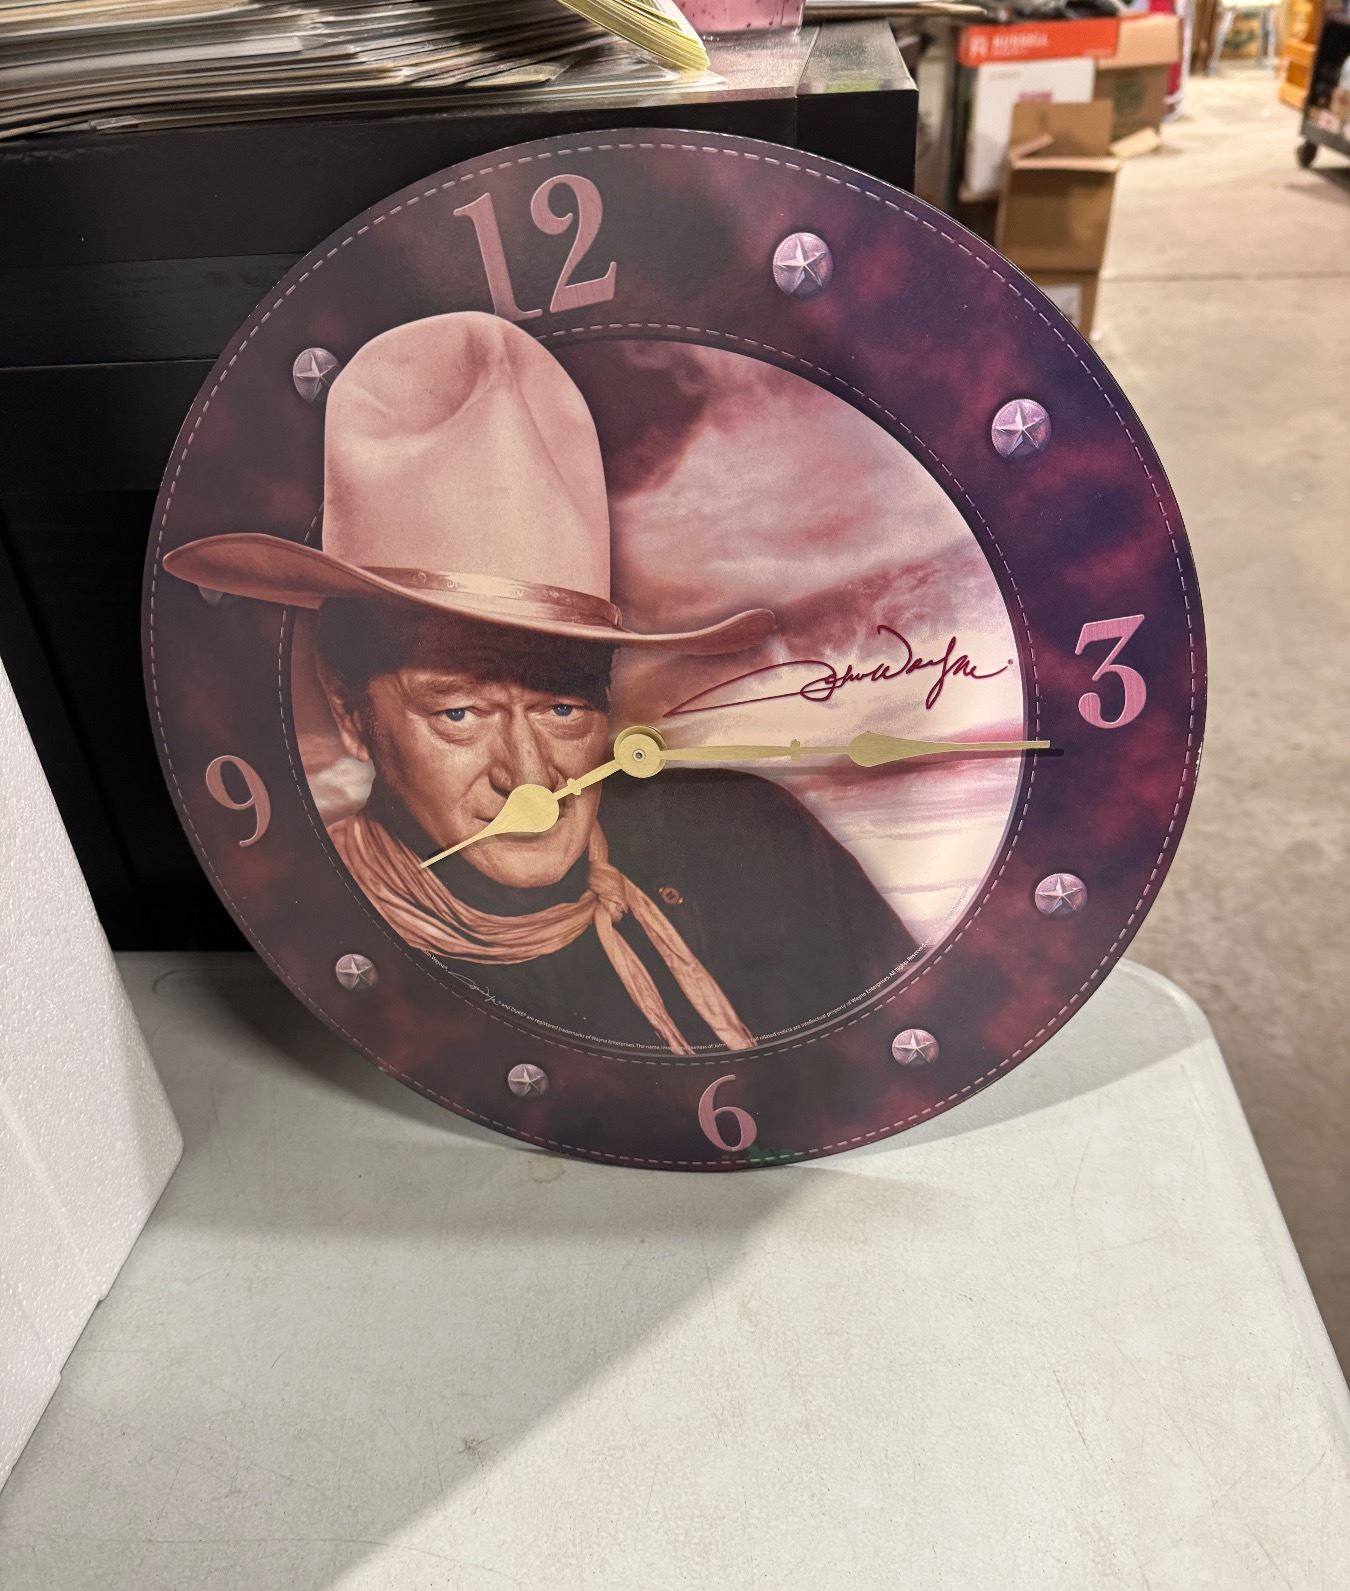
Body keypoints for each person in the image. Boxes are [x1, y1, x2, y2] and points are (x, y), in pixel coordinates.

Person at [165, 311, 919, 1054]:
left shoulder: (758, 839)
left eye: (562, 706)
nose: (529, 778)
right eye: (459, 713)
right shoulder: (321, 932)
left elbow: (907, 1052)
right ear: (350, 711)